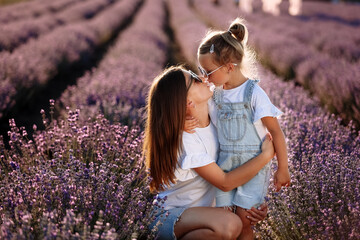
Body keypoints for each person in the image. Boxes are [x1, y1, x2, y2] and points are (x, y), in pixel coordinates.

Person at [144, 65, 275, 239]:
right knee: (230, 224)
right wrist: (265, 156)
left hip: (205, 215)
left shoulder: (216, 116)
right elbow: (225, 182)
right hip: (169, 217)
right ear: (187, 102)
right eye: (195, 79)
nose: (203, 77)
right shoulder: (187, 139)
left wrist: (252, 204)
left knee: (243, 219)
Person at [195, 18, 291, 240]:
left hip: (254, 169)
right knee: (227, 222)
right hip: (225, 166)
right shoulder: (215, 94)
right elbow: (202, 119)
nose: (205, 76)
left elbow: (276, 132)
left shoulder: (254, 93)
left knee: (245, 223)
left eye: (208, 71)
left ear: (229, 67)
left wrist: (282, 168)